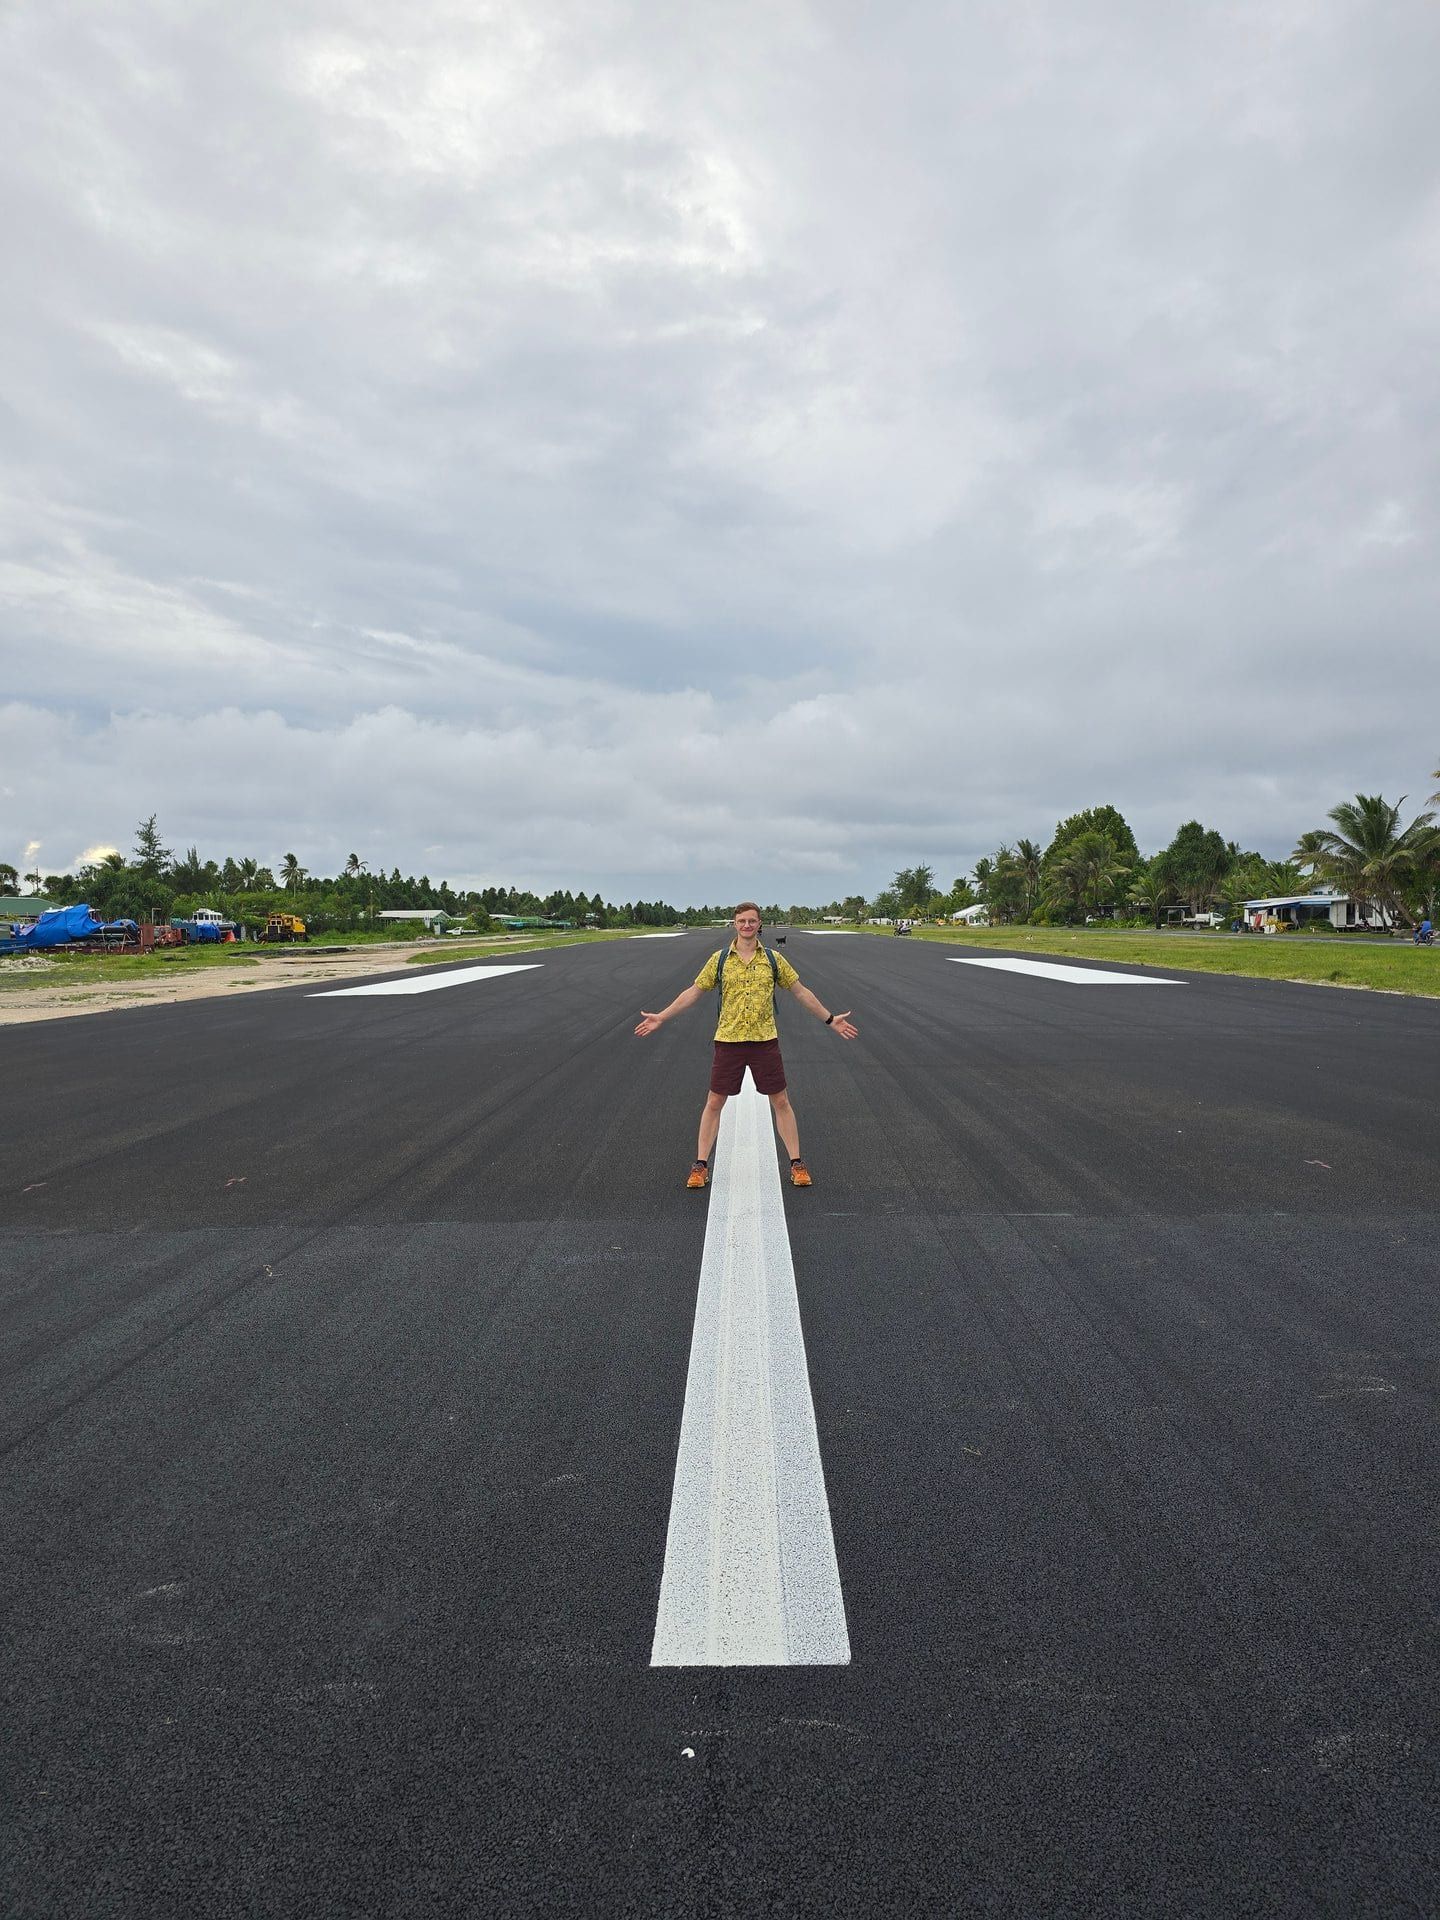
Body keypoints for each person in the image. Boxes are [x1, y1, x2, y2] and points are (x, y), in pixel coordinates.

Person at [634, 901, 858, 1188]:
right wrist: (662, 1017)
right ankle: (700, 1165)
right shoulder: (719, 960)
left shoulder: (774, 960)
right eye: (742, 921)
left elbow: (801, 992)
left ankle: (797, 1164)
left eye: (752, 921)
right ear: (735, 924)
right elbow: (694, 992)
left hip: (765, 1041)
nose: (747, 925)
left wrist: (830, 1019)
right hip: (729, 1041)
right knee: (714, 1102)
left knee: (781, 1101)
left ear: (759, 924)